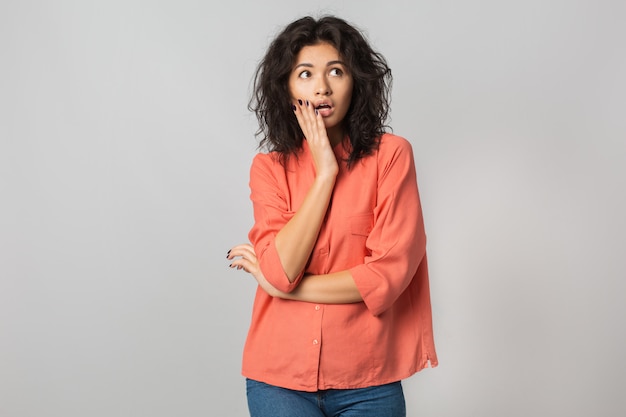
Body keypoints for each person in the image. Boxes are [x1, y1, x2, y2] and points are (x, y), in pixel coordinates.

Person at [227, 15, 438, 417]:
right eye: (305, 74)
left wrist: (280, 289)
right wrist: (326, 172)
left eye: (335, 71)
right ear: (286, 88)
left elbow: (386, 277)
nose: (321, 87)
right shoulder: (268, 168)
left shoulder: (391, 157)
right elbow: (282, 268)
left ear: (356, 82)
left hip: (368, 381)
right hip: (278, 379)